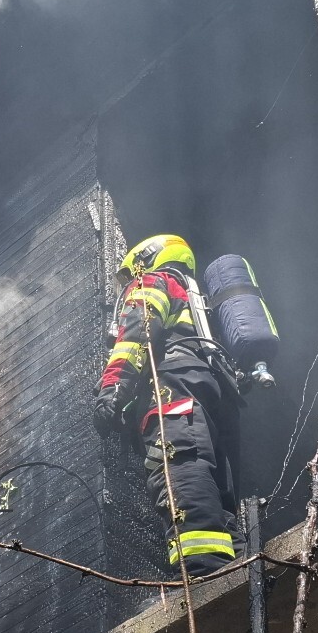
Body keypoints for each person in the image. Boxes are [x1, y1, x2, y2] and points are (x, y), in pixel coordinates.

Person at [94, 234, 240, 575]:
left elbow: (136, 334)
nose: (128, 284)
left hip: (171, 388)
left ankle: (201, 569)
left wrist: (113, 388)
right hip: (209, 393)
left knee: (178, 466)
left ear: (145, 259)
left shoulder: (153, 282)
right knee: (215, 478)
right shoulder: (197, 303)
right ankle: (230, 562)